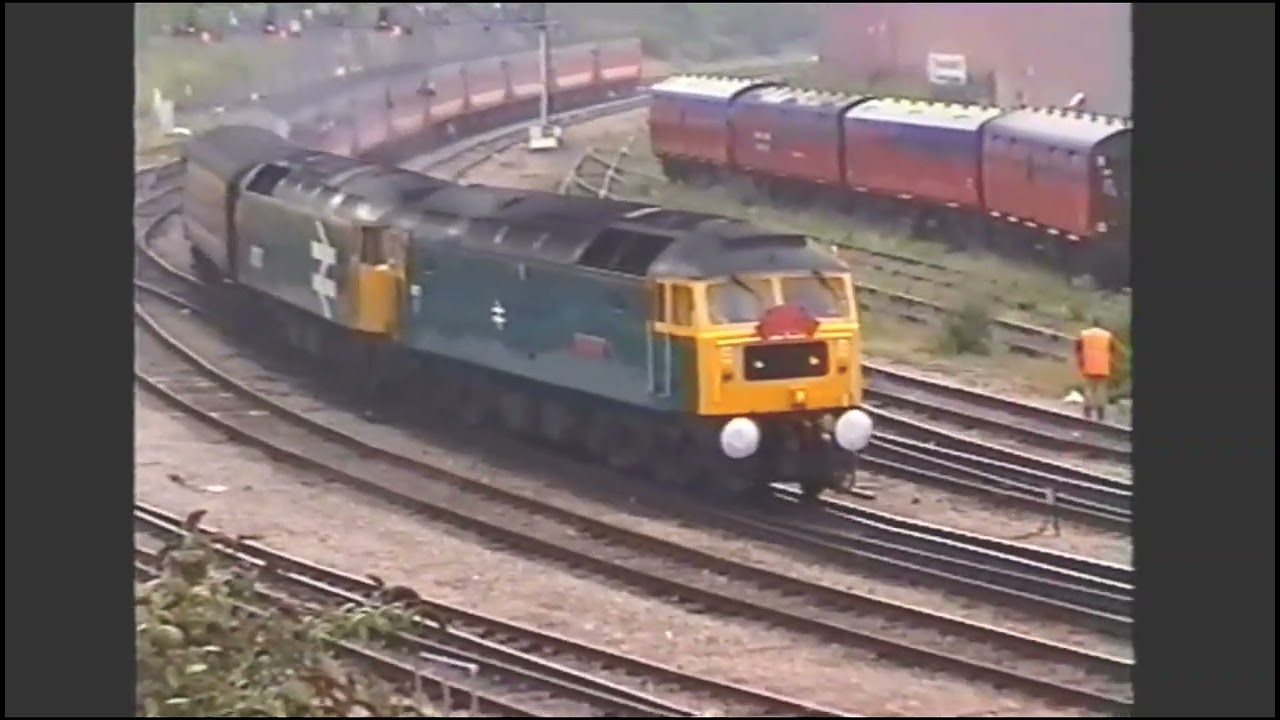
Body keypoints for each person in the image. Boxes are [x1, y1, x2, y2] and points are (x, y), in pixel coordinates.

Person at [1075, 319, 1116, 421]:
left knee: (1089, 389)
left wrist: (1081, 364)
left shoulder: (1084, 334)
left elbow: (1078, 350)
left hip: (1089, 366)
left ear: (1091, 324)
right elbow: (1112, 351)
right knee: (1101, 391)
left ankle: (1087, 413)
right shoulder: (1107, 335)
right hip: (1103, 367)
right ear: (1101, 325)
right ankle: (1100, 415)